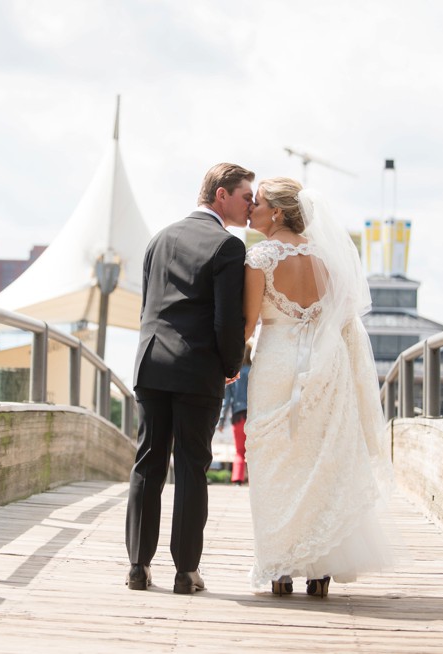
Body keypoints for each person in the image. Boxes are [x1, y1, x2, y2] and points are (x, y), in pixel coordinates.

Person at [242, 177, 393, 597]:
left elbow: (248, 324)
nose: (251, 208)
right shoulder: (328, 258)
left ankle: (279, 567)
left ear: (276, 212)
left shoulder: (260, 257)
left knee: (276, 462)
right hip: (327, 366)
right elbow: (344, 319)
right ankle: (319, 569)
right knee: (321, 461)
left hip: (277, 367)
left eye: (258, 202)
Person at [125, 162, 254, 594]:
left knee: (148, 462)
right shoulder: (227, 247)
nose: (250, 204)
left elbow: (149, 307)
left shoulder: (158, 238)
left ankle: (138, 567)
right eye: (245, 196)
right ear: (221, 194)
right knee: (192, 467)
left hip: (151, 363)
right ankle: (185, 571)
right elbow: (226, 322)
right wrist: (232, 363)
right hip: (197, 369)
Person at [217, 344, 252, 485]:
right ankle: (254, 481)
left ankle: (237, 480)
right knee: (254, 450)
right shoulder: (253, 371)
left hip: (237, 416)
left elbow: (226, 400)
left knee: (239, 451)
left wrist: (221, 421)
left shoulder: (234, 374)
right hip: (253, 415)